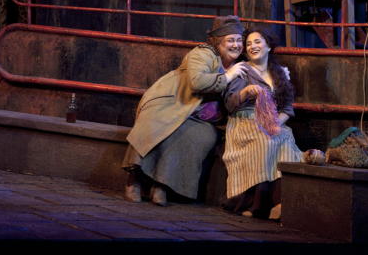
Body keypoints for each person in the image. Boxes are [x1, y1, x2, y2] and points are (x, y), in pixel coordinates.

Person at [122, 15, 247, 206]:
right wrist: (228, 76)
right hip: (174, 102)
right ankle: (135, 179)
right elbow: (197, 82)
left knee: (200, 137)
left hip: (203, 119)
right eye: (230, 40)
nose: (236, 45)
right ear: (217, 42)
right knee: (157, 123)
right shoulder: (203, 53)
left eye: (239, 40)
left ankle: (162, 185)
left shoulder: (241, 64)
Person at [222, 25, 303, 220]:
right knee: (263, 142)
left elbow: (287, 108)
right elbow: (229, 104)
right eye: (248, 44)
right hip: (244, 121)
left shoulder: (279, 73)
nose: (252, 46)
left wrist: (275, 124)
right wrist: (245, 92)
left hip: (272, 121)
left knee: (285, 140)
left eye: (257, 42)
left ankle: (280, 203)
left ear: (268, 46)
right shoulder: (242, 70)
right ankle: (256, 205)